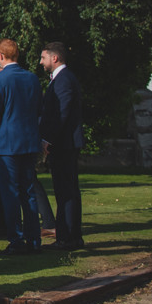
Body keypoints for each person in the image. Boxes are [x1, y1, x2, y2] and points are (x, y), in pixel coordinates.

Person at [0, 38, 44, 254]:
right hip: (28, 141)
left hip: (6, 143)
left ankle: (16, 239)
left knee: (10, 192)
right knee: (28, 190)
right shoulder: (32, 78)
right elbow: (39, 110)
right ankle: (34, 238)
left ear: (0, 56)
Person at [39, 41, 84, 251]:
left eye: (43, 58)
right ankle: (70, 236)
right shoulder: (62, 79)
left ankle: (68, 238)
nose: (41, 62)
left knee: (66, 191)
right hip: (65, 143)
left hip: (64, 144)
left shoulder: (63, 80)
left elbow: (61, 114)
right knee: (67, 190)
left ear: (54, 58)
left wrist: (48, 139)